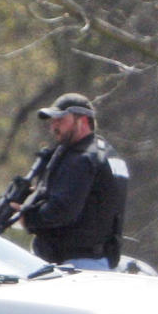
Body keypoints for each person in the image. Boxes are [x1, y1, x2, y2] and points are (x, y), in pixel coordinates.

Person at [16, 93, 129, 271]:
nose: (53, 126)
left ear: (82, 120)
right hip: (98, 261)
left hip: (75, 264)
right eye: (52, 121)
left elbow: (63, 210)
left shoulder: (82, 158)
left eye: (60, 120)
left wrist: (27, 216)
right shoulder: (107, 153)